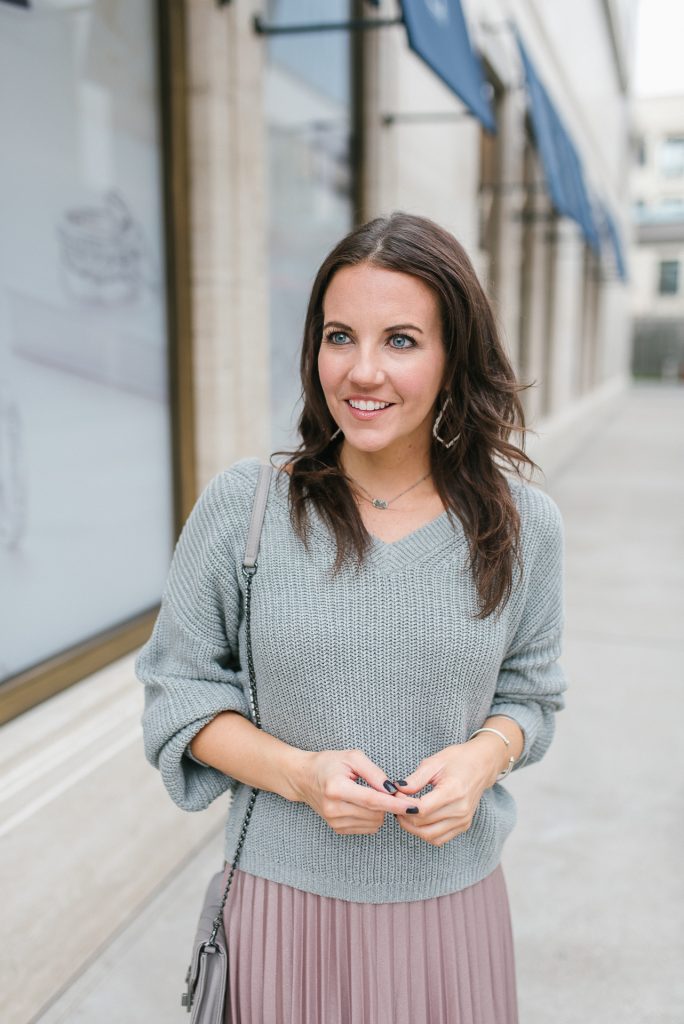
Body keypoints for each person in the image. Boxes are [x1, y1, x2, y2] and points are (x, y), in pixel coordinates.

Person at [135, 211, 567, 1024]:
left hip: (453, 915)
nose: (363, 371)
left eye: (401, 340)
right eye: (341, 337)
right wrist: (299, 774)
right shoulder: (247, 508)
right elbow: (178, 692)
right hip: (281, 908)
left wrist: (484, 758)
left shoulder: (523, 524)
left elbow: (531, 695)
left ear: (452, 357)